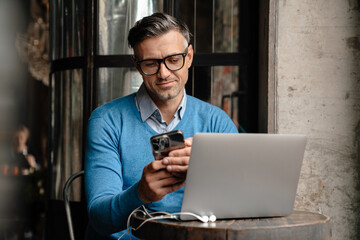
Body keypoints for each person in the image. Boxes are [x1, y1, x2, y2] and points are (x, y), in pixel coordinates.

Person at [85, 12, 238, 240]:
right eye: (150, 64)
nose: (164, 73)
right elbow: (99, 218)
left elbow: (240, 205)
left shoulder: (216, 121)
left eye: (173, 60)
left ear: (189, 56)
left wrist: (209, 171)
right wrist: (140, 193)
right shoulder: (106, 121)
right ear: (137, 66)